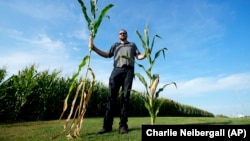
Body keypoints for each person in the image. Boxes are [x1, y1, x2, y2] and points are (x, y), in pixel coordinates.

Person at [88, 29, 147, 134]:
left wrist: (146, 54)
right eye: (120, 33)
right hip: (116, 71)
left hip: (128, 71)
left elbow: (139, 56)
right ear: (118, 36)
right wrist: (94, 48)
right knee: (111, 98)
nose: (122, 34)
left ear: (127, 35)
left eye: (124, 33)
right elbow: (106, 55)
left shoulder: (132, 45)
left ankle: (123, 126)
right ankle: (107, 126)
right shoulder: (115, 45)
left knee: (125, 98)